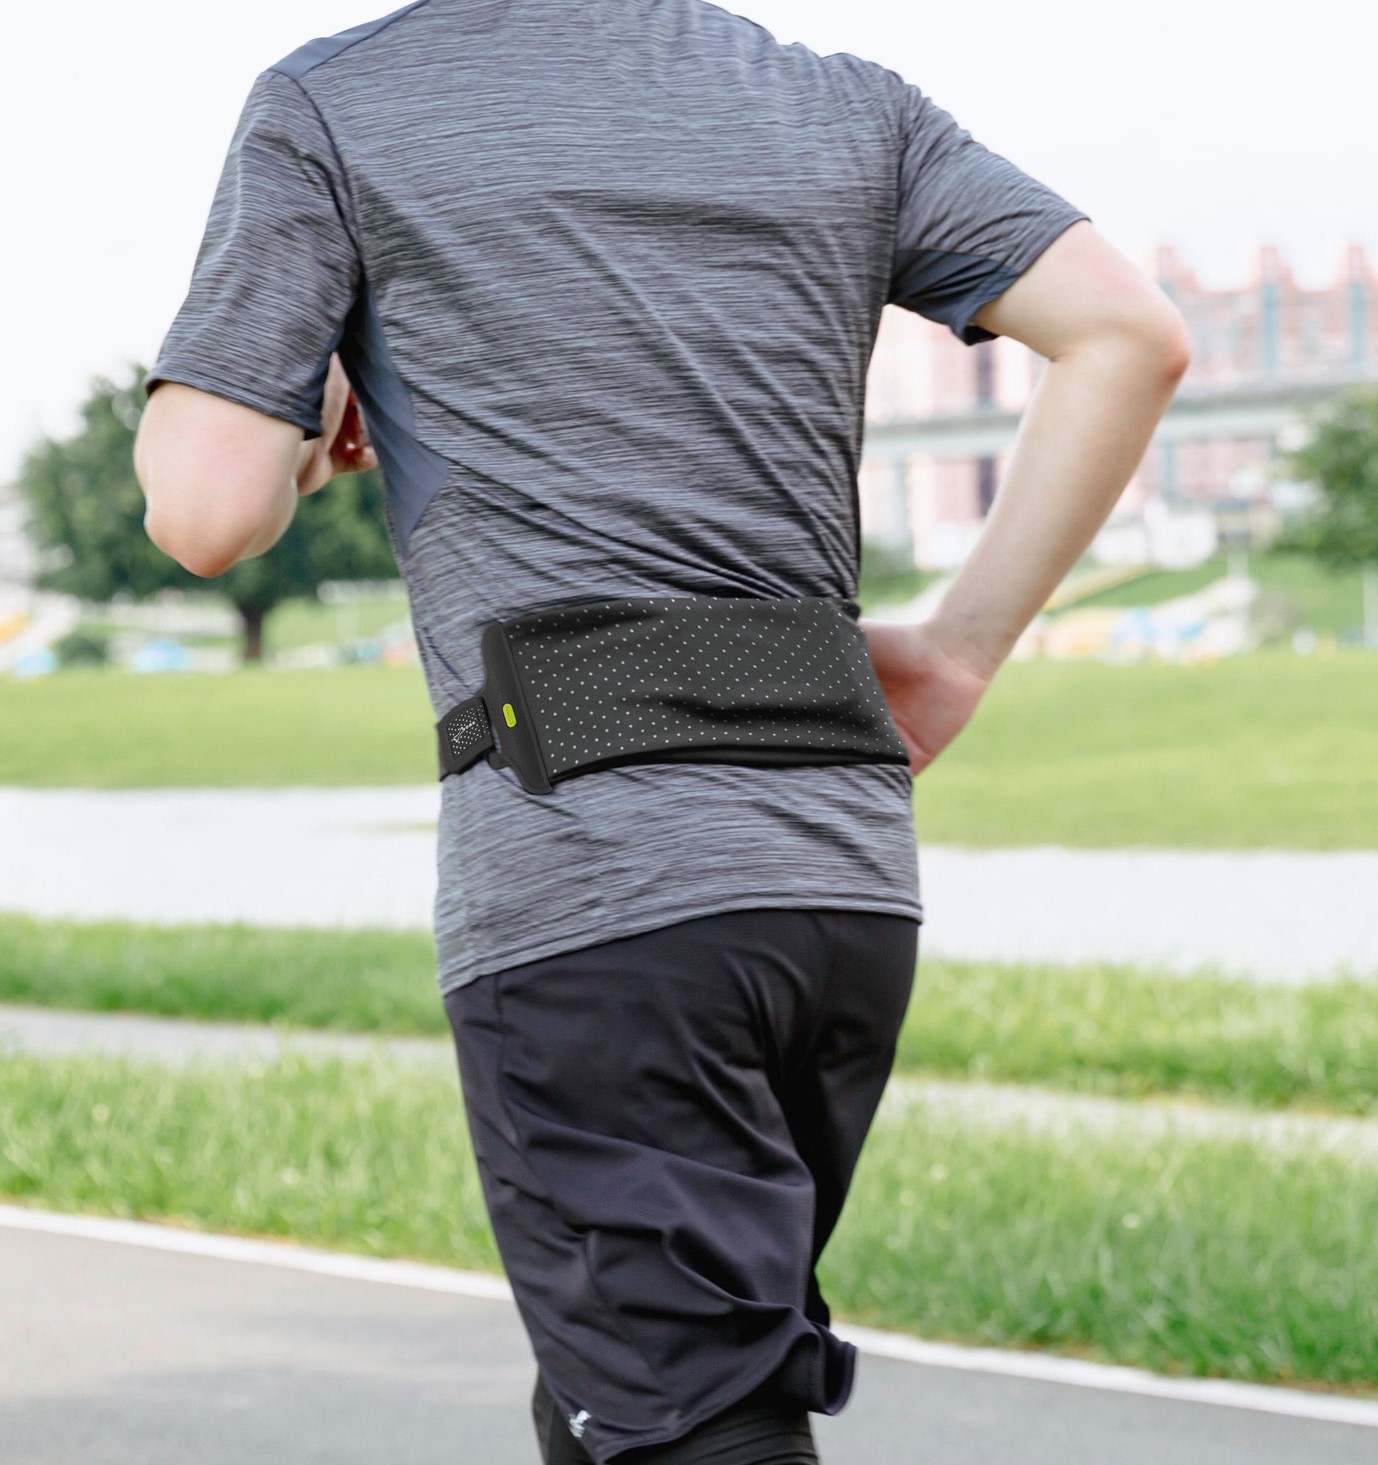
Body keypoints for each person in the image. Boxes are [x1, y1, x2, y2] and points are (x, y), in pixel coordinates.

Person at [132, 1, 1191, 1461]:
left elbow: (204, 510)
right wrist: (955, 652)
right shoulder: (844, 103)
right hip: (837, 883)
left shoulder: (335, 104)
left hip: (595, 881)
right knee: (625, 1397)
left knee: (697, 1418)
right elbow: (1128, 335)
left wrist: (296, 412)